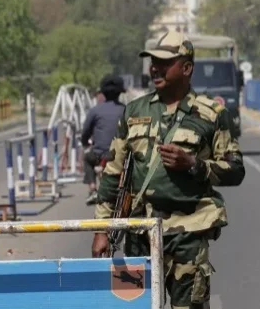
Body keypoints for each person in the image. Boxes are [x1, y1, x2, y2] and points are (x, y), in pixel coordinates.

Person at [91, 31, 246, 309]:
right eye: (153, 62)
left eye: (164, 62)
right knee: (131, 306)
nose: (155, 68)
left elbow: (235, 170)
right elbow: (113, 174)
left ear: (186, 68)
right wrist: (102, 229)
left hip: (187, 236)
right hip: (138, 235)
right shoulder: (133, 111)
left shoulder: (212, 114)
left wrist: (194, 165)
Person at [81, 75, 127, 205]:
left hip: (99, 155)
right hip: (121, 156)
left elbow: (85, 132)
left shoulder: (95, 111)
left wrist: (85, 143)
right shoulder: (126, 110)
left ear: (103, 92)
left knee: (87, 158)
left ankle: (92, 188)